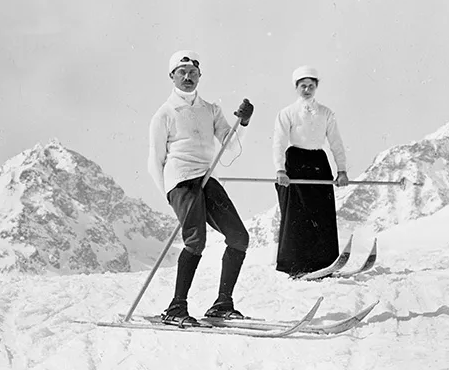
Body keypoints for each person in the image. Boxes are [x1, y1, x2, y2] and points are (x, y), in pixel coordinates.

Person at [147, 50, 254, 326]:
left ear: (199, 76)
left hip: (205, 179)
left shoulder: (211, 110)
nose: (187, 77)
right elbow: (154, 161)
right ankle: (176, 308)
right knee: (196, 240)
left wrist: (242, 123)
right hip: (181, 180)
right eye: (181, 72)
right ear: (171, 76)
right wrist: (171, 196)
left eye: (192, 73)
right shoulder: (164, 114)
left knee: (239, 237)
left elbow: (230, 145)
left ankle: (222, 304)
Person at [271, 65, 349, 276]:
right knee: (298, 214)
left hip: (318, 162)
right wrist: (280, 170)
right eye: (303, 86)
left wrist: (341, 170)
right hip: (295, 163)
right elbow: (278, 142)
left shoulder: (326, 113)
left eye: (311, 86)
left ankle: (324, 263)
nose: (307, 90)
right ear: (296, 87)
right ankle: (295, 265)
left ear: (316, 87)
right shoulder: (286, 113)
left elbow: (336, 143)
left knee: (322, 213)